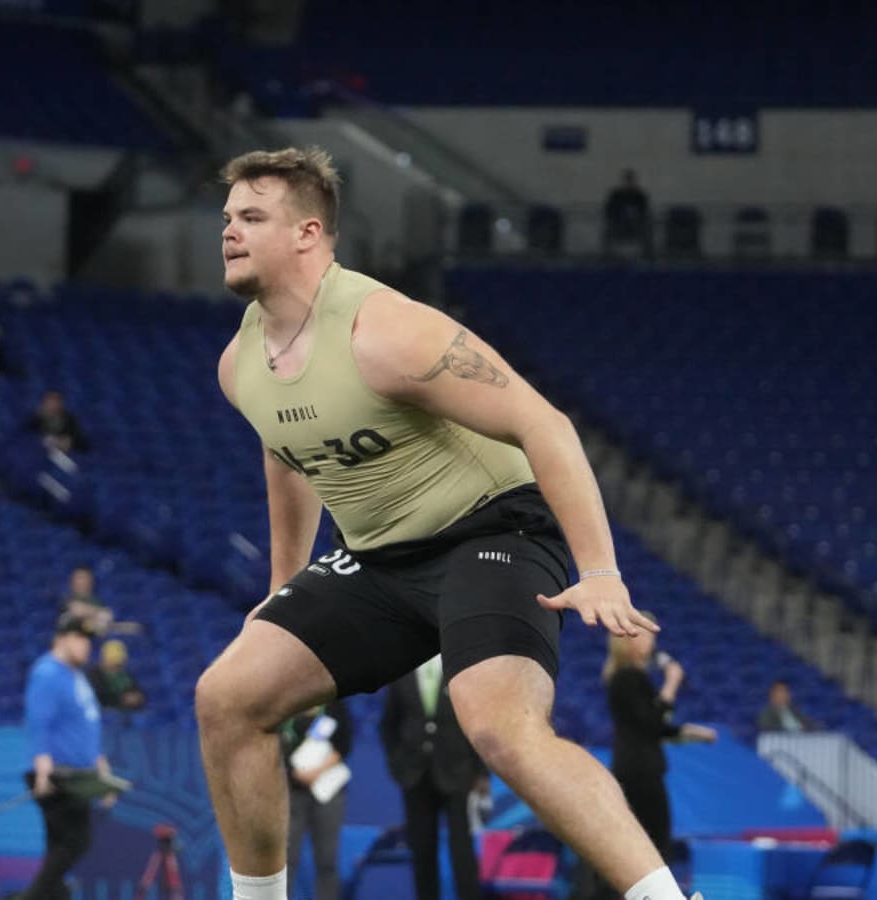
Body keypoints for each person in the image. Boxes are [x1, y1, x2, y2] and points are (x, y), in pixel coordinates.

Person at [194, 145, 694, 900]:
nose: (228, 231)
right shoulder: (241, 365)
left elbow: (547, 426)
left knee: (500, 729)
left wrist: (600, 569)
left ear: (308, 233)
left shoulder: (387, 331)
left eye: (252, 217)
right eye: (228, 218)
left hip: (494, 533)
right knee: (227, 698)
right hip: (377, 559)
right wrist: (283, 586)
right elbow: (289, 453)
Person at [602, 617, 716, 866]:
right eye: (643, 635)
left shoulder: (633, 678)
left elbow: (657, 727)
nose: (651, 641)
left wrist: (692, 732)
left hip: (636, 769)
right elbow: (654, 721)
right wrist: (672, 682)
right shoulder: (627, 677)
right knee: (655, 843)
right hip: (640, 772)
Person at [23, 613, 117, 900]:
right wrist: (42, 770)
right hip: (59, 776)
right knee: (76, 841)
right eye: (80, 638)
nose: (87, 646)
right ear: (62, 638)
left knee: (60, 848)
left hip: (79, 774)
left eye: (89, 640)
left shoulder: (76, 677)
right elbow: (39, 723)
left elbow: (84, 726)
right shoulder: (48, 672)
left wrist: (101, 769)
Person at [381, 655, 489, 900]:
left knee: (462, 851)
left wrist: (480, 771)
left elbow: (478, 723)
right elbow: (388, 724)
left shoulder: (461, 667)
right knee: (422, 850)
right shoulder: (402, 670)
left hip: (458, 775)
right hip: (415, 776)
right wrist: (397, 765)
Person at [281, 700, 353, 900]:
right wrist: (295, 772)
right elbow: (275, 745)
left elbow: (345, 742)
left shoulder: (335, 704)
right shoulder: (285, 703)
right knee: (287, 860)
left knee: (327, 860)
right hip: (292, 792)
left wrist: (318, 771)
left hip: (327, 790)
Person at [602, 170, 652, 257]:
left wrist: (635, 214)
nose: (629, 183)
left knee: (647, 228)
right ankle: (607, 255)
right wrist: (620, 213)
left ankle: (648, 255)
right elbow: (608, 209)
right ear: (623, 181)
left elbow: (645, 210)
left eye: (630, 181)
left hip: (636, 223)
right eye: (627, 181)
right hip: (618, 222)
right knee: (608, 229)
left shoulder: (639, 195)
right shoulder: (616, 195)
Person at [88, 639, 147, 711]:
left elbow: (138, 692)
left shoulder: (124, 674)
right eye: (114, 662)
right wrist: (122, 699)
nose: (117, 667)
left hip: (128, 712)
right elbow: (98, 697)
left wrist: (137, 698)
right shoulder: (94, 674)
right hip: (107, 713)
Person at [26, 390, 91, 454]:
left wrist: (69, 442)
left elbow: (83, 444)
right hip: (40, 456)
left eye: (56, 402)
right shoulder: (35, 419)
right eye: (49, 403)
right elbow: (25, 438)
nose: (52, 406)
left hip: (65, 457)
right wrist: (42, 442)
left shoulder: (69, 419)